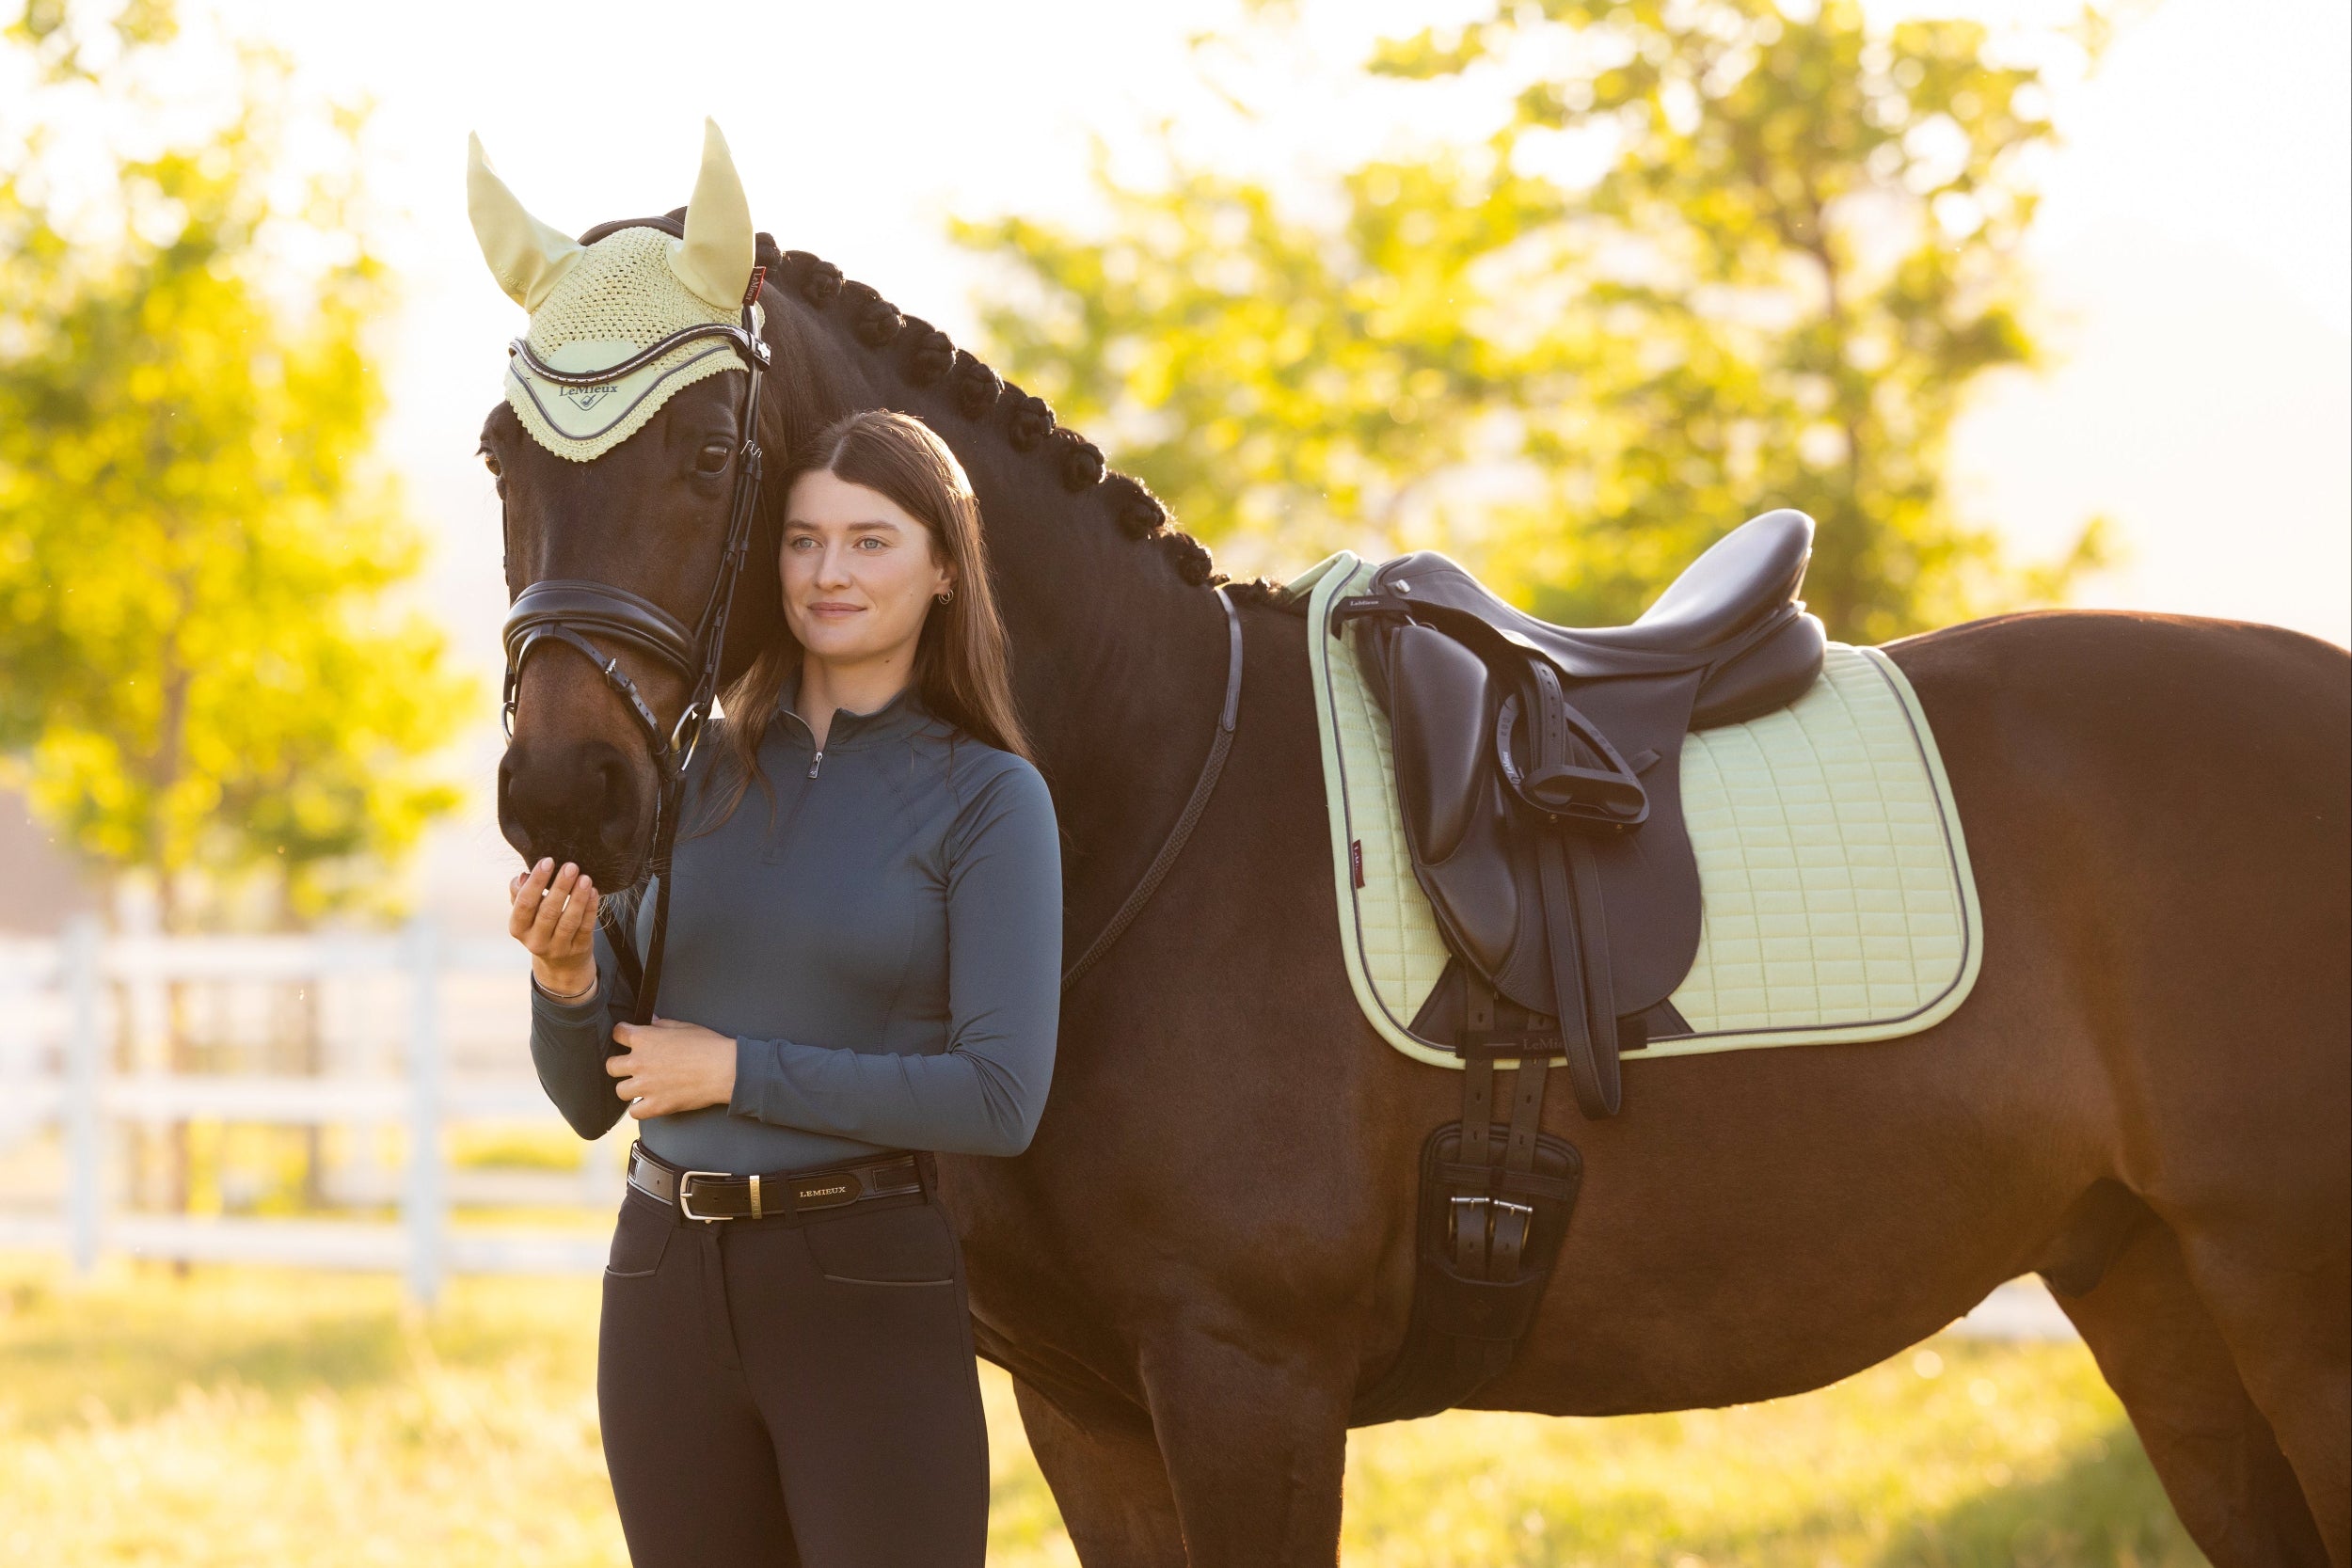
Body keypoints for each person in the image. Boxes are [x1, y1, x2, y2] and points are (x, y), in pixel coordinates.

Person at [507, 409, 1060, 1567]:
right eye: (804, 540)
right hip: (659, 1283)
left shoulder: (988, 798)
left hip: (860, 1284)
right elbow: (588, 1097)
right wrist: (565, 980)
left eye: (870, 541)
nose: (826, 571)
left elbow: (1000, 1096)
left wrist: (735, 1069)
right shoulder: (682, 772)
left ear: (946, 566)